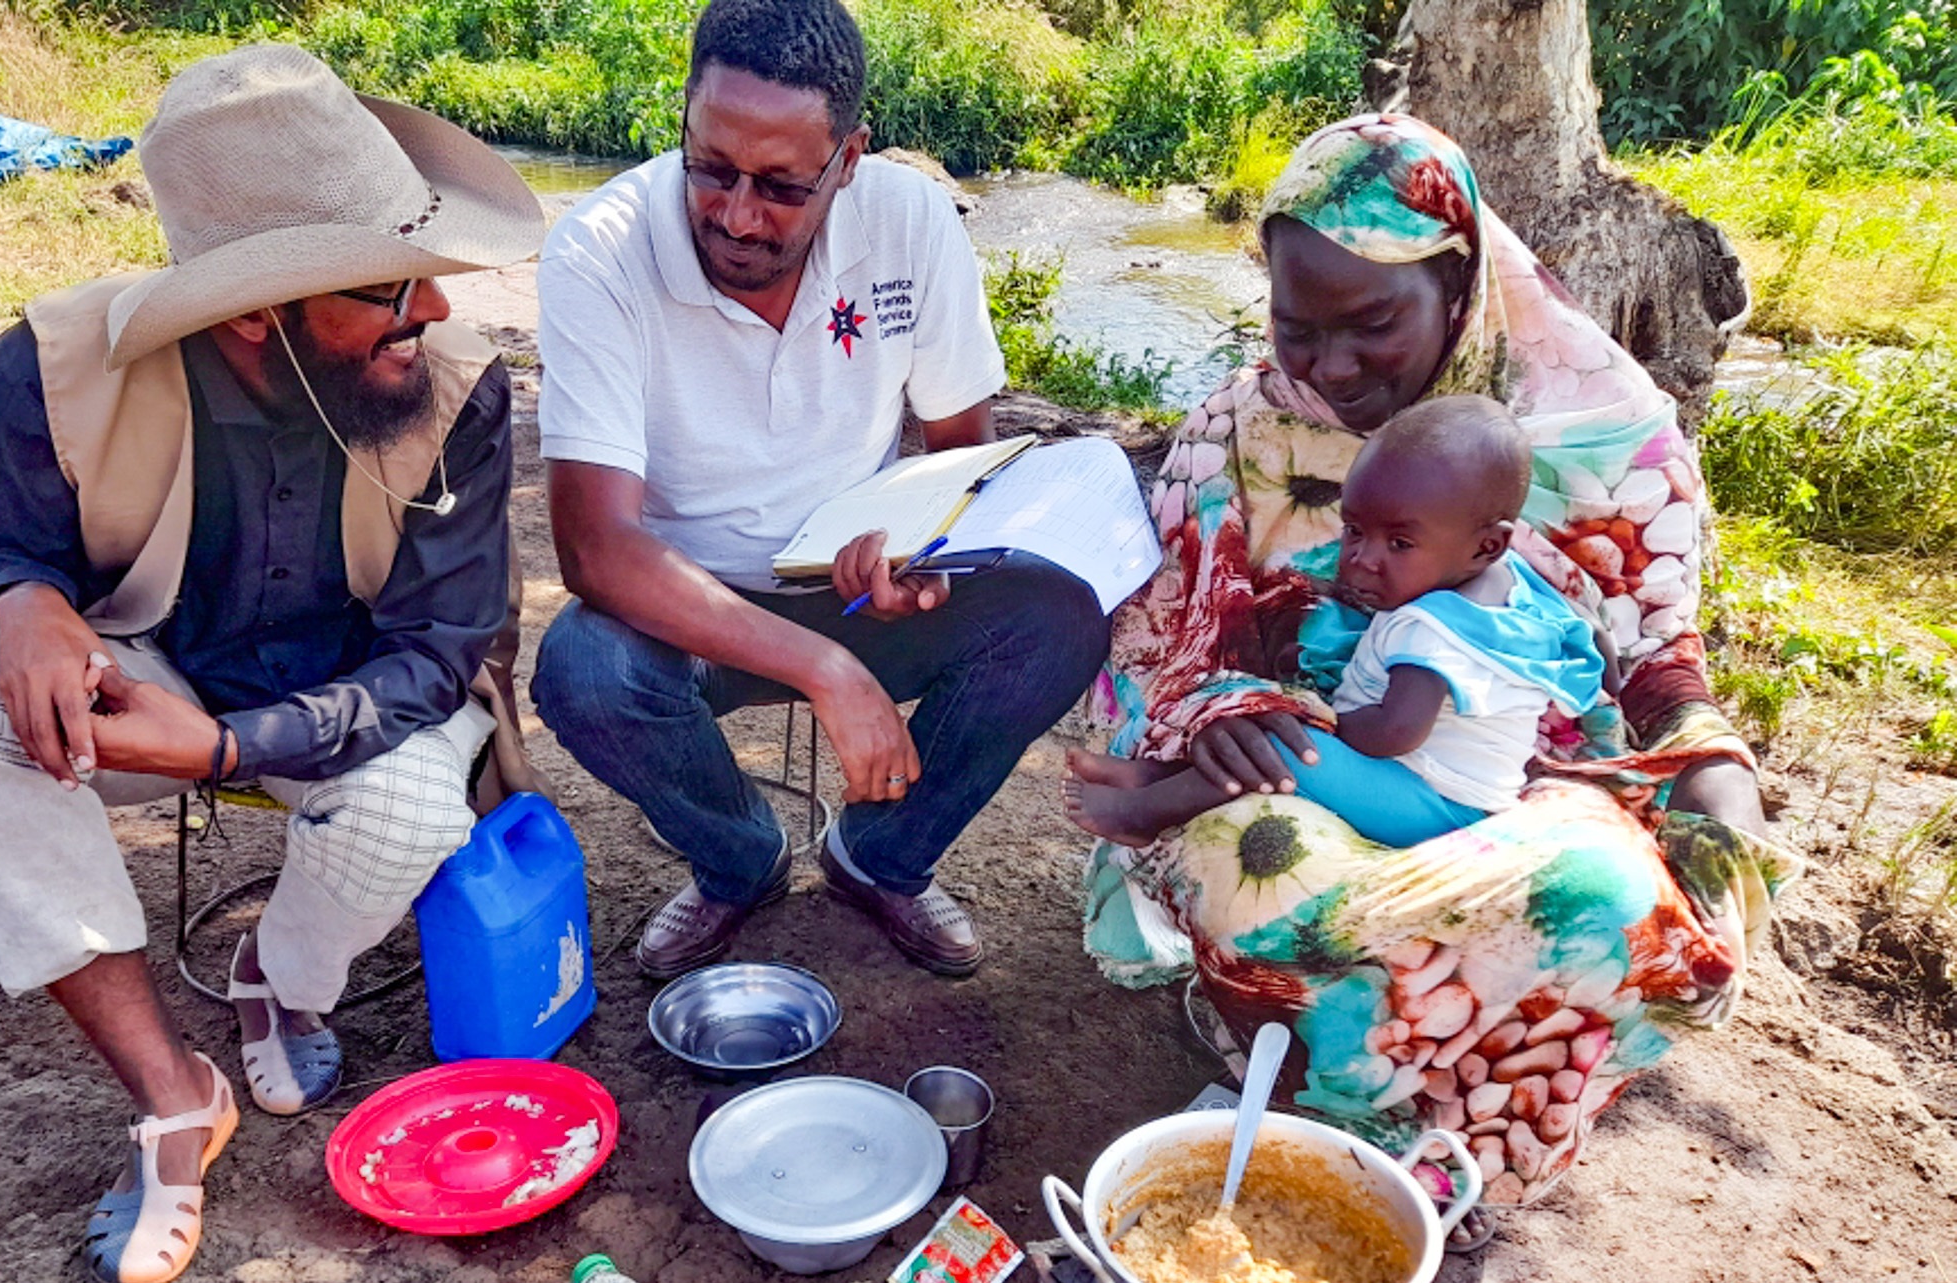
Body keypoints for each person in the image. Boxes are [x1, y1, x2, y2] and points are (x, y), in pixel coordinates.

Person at [0, 44, 546, 1283]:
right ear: (255, 313)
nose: (432, 310)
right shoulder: (55, 368)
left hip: (350, 702)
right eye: (386, 286)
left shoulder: (453, 388)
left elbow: (439, 651)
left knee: (413, 807)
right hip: (154, 676)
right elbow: (18, 542)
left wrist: (224, 751)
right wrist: (25, 598)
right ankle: (173, 1094)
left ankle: (282, 980)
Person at [1088, 115, 1802, 1219]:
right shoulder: (1240, 431)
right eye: (1295, 326)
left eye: (1371, 323)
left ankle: (1451, 1138)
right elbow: (1166, 636)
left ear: (1459, 285)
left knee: (1608, 899)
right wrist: (1225, 709)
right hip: (1315, 762)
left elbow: (1661, 666)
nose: (1328, 367)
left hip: (1529, 794)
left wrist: (1720, 783)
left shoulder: (1598, 432)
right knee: (1255, 851)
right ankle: (1319, 1084)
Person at [531, 0, 1112, 979]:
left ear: (848, 159)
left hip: (854, 589)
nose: (735, 213)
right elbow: (595, 550)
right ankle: (738, 861)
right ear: (682, 119)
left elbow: (959, 453)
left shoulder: (909, 217)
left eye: (781, 186)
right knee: (583, 669)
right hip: (686, 614)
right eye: (708, 166)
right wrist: (826, 671)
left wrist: (922, 554)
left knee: (1060, 615)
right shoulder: (599, 250)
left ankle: (878, 859)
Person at [1066, 396, 1605, 850]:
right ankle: (1154, 779)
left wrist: (1312, 721)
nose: (1362, 559)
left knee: (1278, 743)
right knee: (1269, 741)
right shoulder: (1513, 581)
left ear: (1486, 544)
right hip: (1450, 791)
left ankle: (1141, 815)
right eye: (1353, 530)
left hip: (1431, 806)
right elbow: (1589, 632)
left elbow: (1395, 731)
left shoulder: (1432, 629)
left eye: (1399, 543)